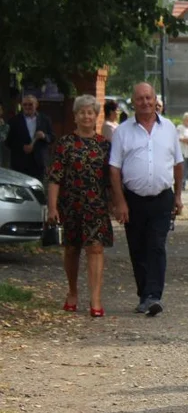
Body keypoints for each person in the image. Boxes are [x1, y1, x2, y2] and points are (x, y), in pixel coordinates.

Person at [109, 82, 184, 317]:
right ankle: (144, 294)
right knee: (137, 247)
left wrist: (178, 196)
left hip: (162, 197)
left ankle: (154, 296)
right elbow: (113, 169)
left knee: (156, 245)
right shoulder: (123, 131)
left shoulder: (169, 128)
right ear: (133, 102)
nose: (145, 102)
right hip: (133, 199)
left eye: (149, 98)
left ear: (155, 100)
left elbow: (178, 163)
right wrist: (119, 202)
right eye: (140, 98)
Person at [46, 95, 113, 317]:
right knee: (72, 249)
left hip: (96, 206)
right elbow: (55, 177)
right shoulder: (65, 143)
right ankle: (73, 291)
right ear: (75, 116)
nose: (86, 116)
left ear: (96, 116)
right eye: (82, 112)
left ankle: (96, 298)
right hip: (70, 205)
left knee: (96, 248)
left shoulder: (104, 144)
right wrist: (52, 207)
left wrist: (116, 202)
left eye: (90, 112)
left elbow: (112, 177)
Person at [7, 94, 54, 181]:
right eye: (25, 104)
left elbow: (52, 137)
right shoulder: (14, 121)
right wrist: (22, 147)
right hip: (19, 163)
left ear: (36, 105)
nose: (27, 107)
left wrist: (44, 136)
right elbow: (8, 141)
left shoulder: (45, 119)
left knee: (36, 191)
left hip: (38, 163)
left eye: (30, 104)